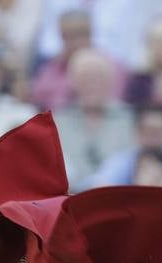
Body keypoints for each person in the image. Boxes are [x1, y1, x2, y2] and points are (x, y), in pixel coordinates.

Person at [53, 47, 135, 190]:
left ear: (111, 81)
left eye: (98, 77)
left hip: (119, 200)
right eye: (85, 77)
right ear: (73, 82)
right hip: (69, 201)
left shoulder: (130, 119)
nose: (92, 83)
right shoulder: (59, 121)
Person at [80, 104, 162, 193]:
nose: (154, 136)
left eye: (160, 131)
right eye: (149, 131)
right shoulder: (122, 159)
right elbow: (98, 186)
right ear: (138, 133)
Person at [36, 0, 137, 66]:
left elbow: (129, 48)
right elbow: (47, 45)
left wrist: (93, 56)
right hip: (64, 67)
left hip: (111, 69)